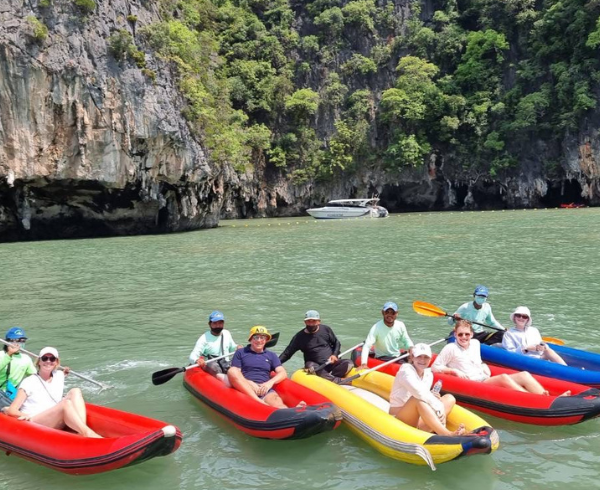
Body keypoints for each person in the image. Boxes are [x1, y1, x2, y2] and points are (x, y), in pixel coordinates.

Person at [432, 320, 562, 395]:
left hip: (484, 377)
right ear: (455, 334)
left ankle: (544, 395)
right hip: (474, 383)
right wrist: (454, 371)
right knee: (503, 377)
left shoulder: (476, 343)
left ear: (472, 334)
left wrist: (483, 366)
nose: (464, 337)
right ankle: (535, 399)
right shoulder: (450, 348)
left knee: (525, 375)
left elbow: (474, 362)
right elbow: (435, 367)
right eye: (460, 334)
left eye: (467, 334)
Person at [6, 347, 102, 438]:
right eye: (44, 358)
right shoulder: (29, 382)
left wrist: (65, 372)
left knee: (75, 391)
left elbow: (59, 375)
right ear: (39, 361)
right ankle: (87, 432)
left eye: (52, 359)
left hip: (54, 419)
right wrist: (24, 416)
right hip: (35, 421)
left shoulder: (59, 375)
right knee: (65, 403)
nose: (48, 361)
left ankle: (81, 430)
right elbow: (12, 410)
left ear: (56, 362)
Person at [389, 343, 464, 436]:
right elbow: (418, 392)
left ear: (430, 359)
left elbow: (425, 395)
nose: (422, 360)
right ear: (412, 357)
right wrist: (437, 405)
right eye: (419, 356)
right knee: (417, 399)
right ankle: (446, 434)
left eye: (426, 357)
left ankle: (439, 429)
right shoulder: (405, 370)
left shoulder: (428, 375)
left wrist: (434, 397)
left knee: (449, 398)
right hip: (400, 418)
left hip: (420, 418)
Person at [228, 326, 299, 409]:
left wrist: (269, 383)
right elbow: (235, 373)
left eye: (262, 337)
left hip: (264, 388)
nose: (259, 340)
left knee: (276, 402)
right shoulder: (241, 352)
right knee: (232, 370)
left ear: (266, 340)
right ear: (250, 339)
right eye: (256, 337)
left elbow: (282, 372)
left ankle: (292, 413)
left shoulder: (271, 355)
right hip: (246, 387)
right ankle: (259, 402)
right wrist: (250, 383)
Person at [279, 310, 353, 383]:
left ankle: (330, 377)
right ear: (305, 322)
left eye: (313, 321)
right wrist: (276, 364)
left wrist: (334, 355)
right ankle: (335, 380)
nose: (311, 324)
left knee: (349, 362)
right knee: (310, 366)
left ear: (319, 322)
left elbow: (337, 343)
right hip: (315, 366)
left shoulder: (326, 329)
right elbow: (287, 353)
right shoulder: (299, 337)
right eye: (309, 321)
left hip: (330, 362)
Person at [502, 306, 567, 365]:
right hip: (523, 360)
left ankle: (566, 369)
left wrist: (543, 347)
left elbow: (540, 344)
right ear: (514, 317)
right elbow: (510, 353)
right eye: (518, 315)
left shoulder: (534, 330)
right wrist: (526, 348)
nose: (521, 318)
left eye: (524, 316)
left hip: (538, 358)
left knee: (548, 350)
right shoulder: (509, 334)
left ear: (527, 319)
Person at [359, 301, 414, 369]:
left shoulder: (400, 325)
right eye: (387, 312)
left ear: (397, 314)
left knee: (413, 359)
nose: (390, 315)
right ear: (382, 313)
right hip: (383, 358)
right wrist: (364, 363)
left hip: (397, 356)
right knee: (407, 367)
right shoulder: (376, 327)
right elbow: (367, 346)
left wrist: (411, 347)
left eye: (393, 313)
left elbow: (406, 340)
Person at [189, 311, 242, 377]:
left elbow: (232, 348)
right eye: (215, 323)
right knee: (214, 367)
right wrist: (197, 360)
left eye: (220, 323)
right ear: (209, 324)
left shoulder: (226, 333)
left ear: (223, 323)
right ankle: (222, 379)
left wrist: (237, 347)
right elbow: (192, 355)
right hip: (212, 366)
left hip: (226, 364)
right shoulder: (204, 338)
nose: (218, 326)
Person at [0, 327, 36, 407]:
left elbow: (35, 377)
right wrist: (9, 354)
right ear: (8, 342)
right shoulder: (1, 355)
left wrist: (56, 373)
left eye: (22, 341)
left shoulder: (26, 359)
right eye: (16, 340)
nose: (19, 343)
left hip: (11, 394)